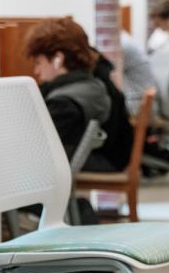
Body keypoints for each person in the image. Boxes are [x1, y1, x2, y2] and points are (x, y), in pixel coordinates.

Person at [25, 18, 132, 173]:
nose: (36, 71)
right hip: (112, 155)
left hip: (105, 159)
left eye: (38, 62)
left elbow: (37, 149)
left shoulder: (65, 102)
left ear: (58, 59)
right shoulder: (90, 81)